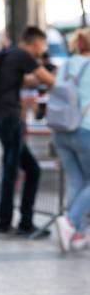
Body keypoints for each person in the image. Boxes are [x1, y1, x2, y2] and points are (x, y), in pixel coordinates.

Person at [0, 26, 56, 238]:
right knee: (11, 171)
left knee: (30, 169)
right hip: (10, 118)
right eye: (42, 46)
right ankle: (7, 224)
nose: (42, 51)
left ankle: (21, 222)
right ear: (36, 43)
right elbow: (49, 80)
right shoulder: (23, 55)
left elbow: (26, 81)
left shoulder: (8, 54)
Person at [53, 28, 90, 252]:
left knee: (77, 181)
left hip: (61, 130)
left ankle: (75, 233)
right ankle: (70, 221)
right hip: (85, 129)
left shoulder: (65, 65)